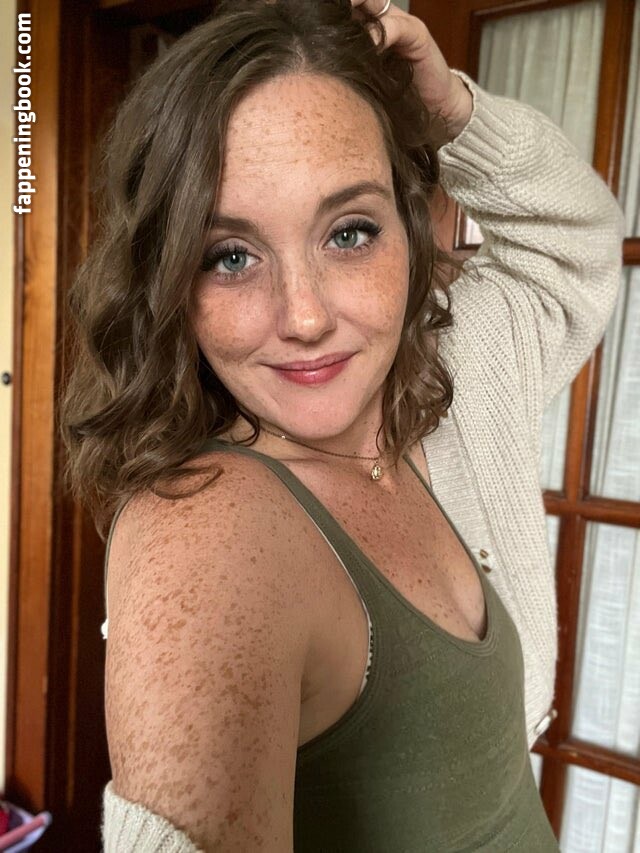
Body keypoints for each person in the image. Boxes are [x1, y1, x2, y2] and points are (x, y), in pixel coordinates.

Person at [61, 0, 624, 850]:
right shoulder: (209, 534)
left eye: (350, 232)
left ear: (412, 229)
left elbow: (574, 244)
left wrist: (454, 116)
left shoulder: (459, 374)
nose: (306, 317)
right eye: (230, 255)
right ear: (170, 282)